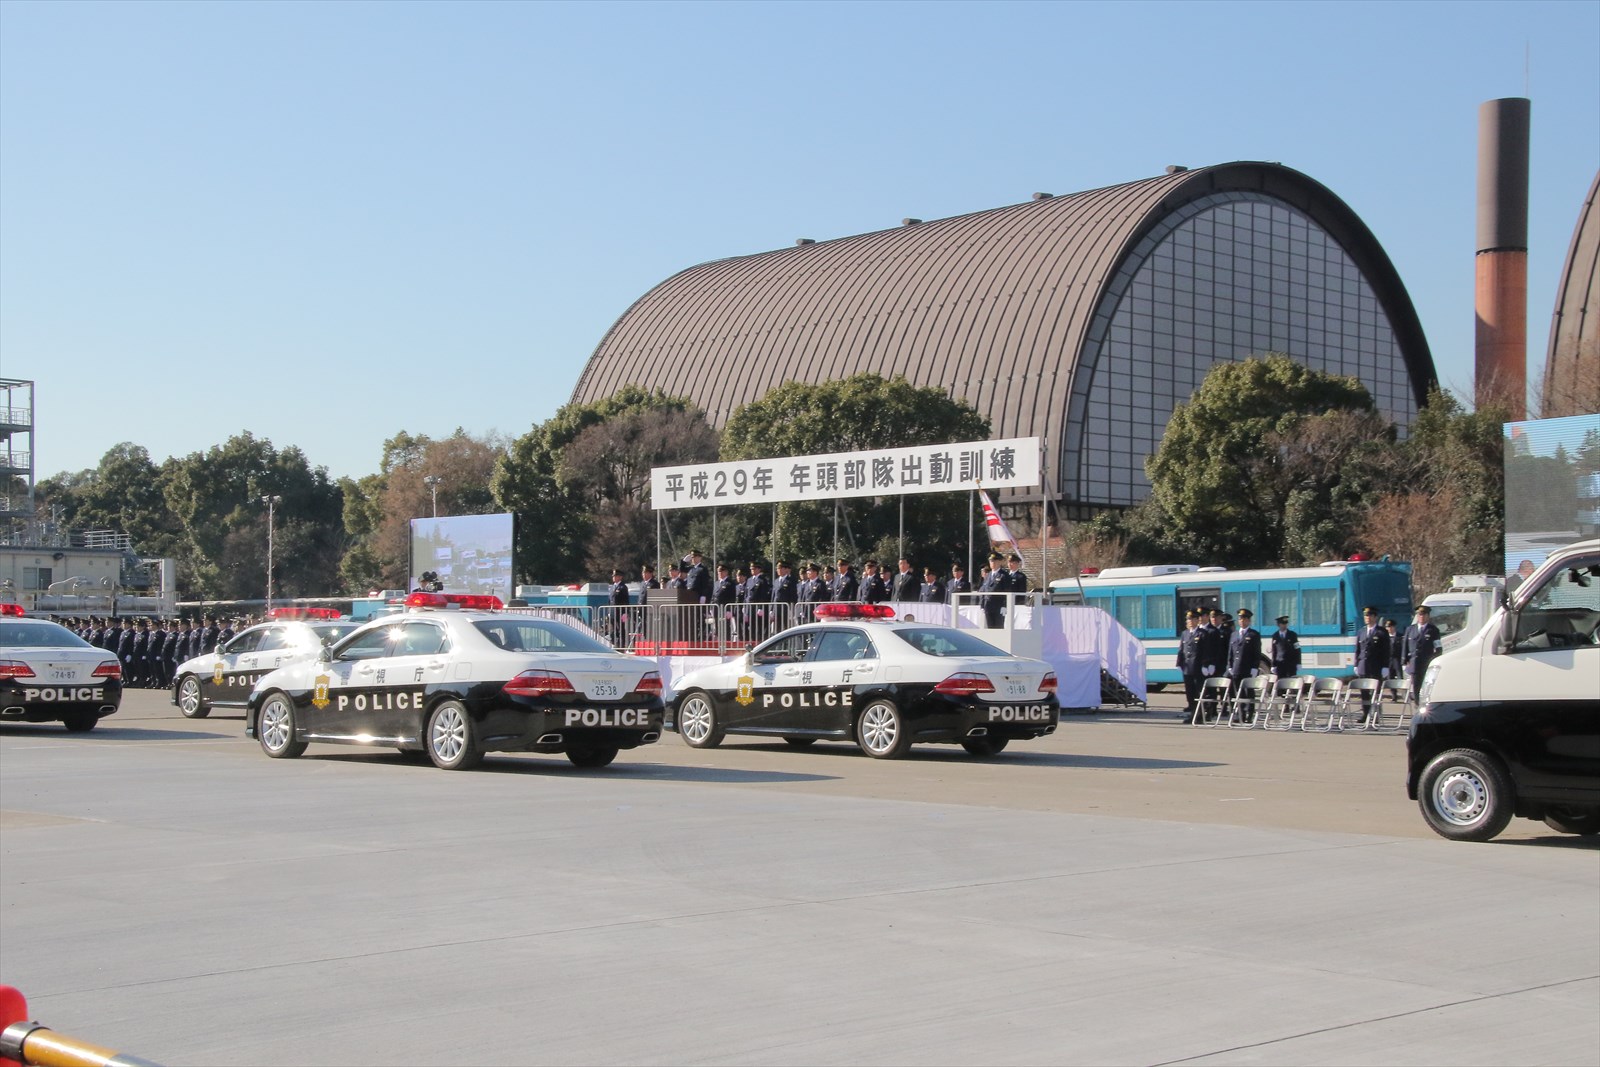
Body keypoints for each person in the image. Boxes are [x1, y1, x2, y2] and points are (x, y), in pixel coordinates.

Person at [1354, 605, 1391, 721]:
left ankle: (1376, 714)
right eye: (1366, 616)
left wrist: (1385, 666)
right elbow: (1358, 649)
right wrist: (1356, 664)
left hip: (1376, 667)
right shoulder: (1361, 631)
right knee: (1364, 692)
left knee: (1376, 692)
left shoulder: (1381, 632)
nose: (1367, 618)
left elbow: (1386, 651)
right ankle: (1365, 714)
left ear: (1375, 617)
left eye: (1370, 616)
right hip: (1363, 666)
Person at [1226, 607, 1263, 721]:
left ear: (1249, 621)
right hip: (1236, 668)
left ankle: (1249, 714)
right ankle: (1240, 714)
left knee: (1248, 692)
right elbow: (1231, 652)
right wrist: (1229, 666)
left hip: (1247, 668)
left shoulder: (1254, 634)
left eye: (1244, 619)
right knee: (1238, 692)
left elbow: (1257, 653)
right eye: (1240, 619)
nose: (1242, 621)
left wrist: (1255, 667)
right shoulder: (1234, 634)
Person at [1402, 605, 1442, 700]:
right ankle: (1417, 704)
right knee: (1416, 687)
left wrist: (1433, 661)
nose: (1421, 617)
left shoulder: (1433, 630)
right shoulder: (1410, 629)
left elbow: (1438, 648)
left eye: (1424, 615)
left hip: (1426, 664)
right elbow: (1405, 646)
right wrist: (1404, 661)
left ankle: (1426, 703)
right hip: (1414, 664)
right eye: (1419, 615)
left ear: (1428, 616)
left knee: (1426, 687)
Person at [1177, 610, 1205, 722]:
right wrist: (1179, 663)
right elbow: (1181, 650)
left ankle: (1199, 715)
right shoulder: (1185, 633)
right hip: (1187, 668)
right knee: (1190, 693)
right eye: (1188, 619)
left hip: (1198, 668)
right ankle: (1193, 714)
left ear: (1197, 620)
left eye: (1192, 619)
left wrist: (1206, 664)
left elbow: (1206, 651)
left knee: (1199, 692)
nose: (1189, 621)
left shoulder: (1202, 633)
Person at [742, 560, 772, 639]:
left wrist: (761, 607)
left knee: (759, 628)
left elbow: (763, 594)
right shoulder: (749, 580)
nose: (752, 570)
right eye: (751, 569)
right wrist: (744, 606)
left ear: (759, 569)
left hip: (758, 607)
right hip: (750, 607)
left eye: (754, 569)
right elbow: (746, 594)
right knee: (751, 628)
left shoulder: (763, 580)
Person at [978, 552, 1007, 628]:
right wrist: (982, 604)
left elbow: (1007, 591)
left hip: (998, 606)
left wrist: (1005, 605)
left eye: (995, 561)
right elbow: (984, 590)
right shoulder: (988, 575)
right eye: (991, 561)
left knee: (998, 627)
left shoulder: (1004, 575)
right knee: (990, 628)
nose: (992, 563)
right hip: (988, 606)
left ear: (999, 562)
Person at [772, 560, 797, 630]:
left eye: (780, 568)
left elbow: (793, 595)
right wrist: (772, 609)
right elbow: (773, 595)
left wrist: (791, 608)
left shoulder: (791, 580)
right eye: (777, 568)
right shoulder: (776, 581)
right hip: (777, 607)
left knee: (787, 627)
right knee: (777, 627)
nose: (778, 570)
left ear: (785, 569)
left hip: (786, 607)